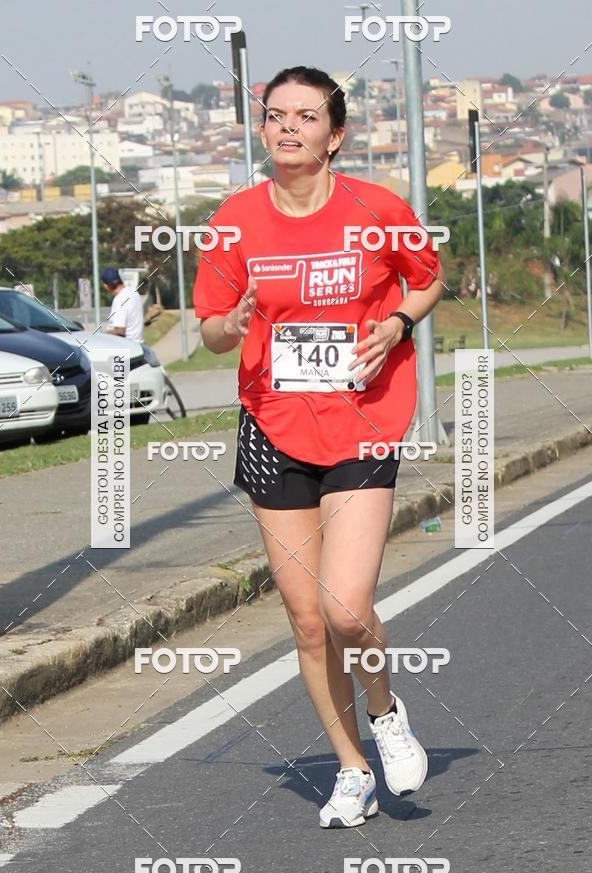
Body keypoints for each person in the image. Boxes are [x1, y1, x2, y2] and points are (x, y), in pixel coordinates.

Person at [193, 66, 445, 829]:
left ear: (337, 136)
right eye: (276, 115)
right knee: (306, 620)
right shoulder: (235, 219)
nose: (289, 126)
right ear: (263, 129)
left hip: (363, 419)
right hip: (273, 426)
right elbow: (207, 328)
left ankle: (387, 710)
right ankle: (351, 767)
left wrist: (398, 324)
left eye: (307, 116)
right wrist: (229, 329)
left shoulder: (376, 208)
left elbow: (428, 280)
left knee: (344, 607)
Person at [101, 267, 145, 342]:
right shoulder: (134, 292)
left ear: (106, 286)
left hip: (127, 347)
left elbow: (120, 331)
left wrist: (102, 335)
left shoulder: (120, 299)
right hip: (138, 344)